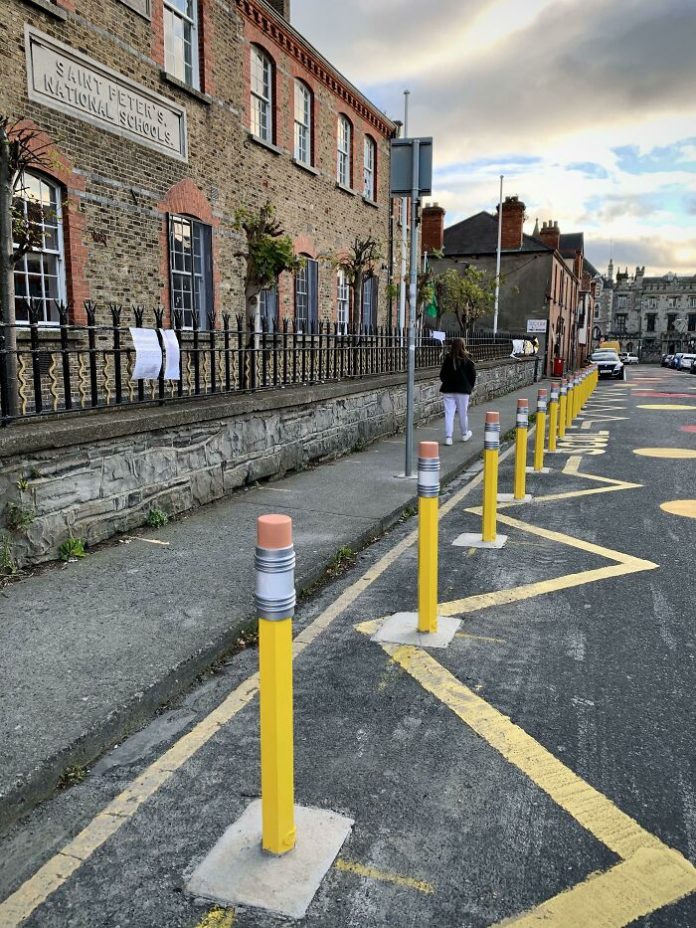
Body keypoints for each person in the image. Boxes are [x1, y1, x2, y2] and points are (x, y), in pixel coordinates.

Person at [439, 337, 476, 446]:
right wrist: (469, 387)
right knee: (463, 413)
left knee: (449, 414)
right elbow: (472, 376)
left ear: (452, 346)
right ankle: (464, 434)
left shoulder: (447, 359)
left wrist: (447, 381)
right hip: (463, 390)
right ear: (463, 346)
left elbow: (442, 376)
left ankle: (448, 437)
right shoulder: (468, 361)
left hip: (448, 389)